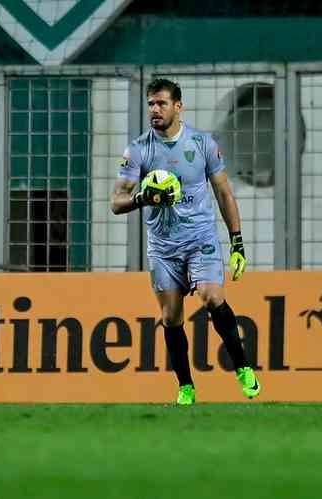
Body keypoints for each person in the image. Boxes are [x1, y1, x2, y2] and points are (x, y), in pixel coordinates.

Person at [111, 78, 260, 405]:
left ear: (178, 106)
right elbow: (116, 202)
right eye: (151, 103)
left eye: (161, 103)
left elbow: (224, 192)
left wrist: (237, 243)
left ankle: (243, 367)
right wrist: (142, 197)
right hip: (163, 248)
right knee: (171, 318)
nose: (155, 110)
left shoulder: (202, 144)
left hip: (200, 240)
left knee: (211, 296)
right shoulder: (138, 150)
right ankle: (186, 386)